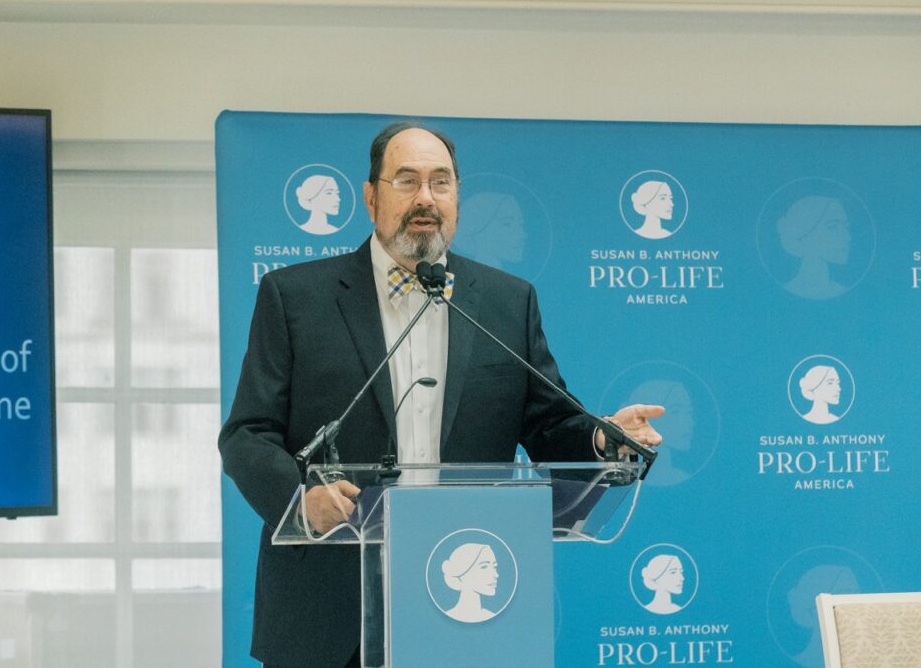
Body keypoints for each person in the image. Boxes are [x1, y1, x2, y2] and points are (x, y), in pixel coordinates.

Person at [219, 122, 664, 667]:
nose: (425, 198)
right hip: (325, 610)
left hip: (465, 601)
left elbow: (549, 424)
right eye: (406, 180)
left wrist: (603, 438)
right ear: (371, 197)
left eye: (441, 182)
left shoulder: (507, 302)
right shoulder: (295, 297)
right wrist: (300, 502)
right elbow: (247, 433)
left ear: (457, 197)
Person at [776, 195, 850, 299]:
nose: (847, 237)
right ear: (803, 236)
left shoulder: (840, 290)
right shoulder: (786, 292)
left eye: (846, 227)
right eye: (832, 227)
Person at [442, 543, 499, 623]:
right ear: (462, 574)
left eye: (494, 567)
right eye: (484, 567)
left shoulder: (491, 616)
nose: (496, 575)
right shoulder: (449, 616)